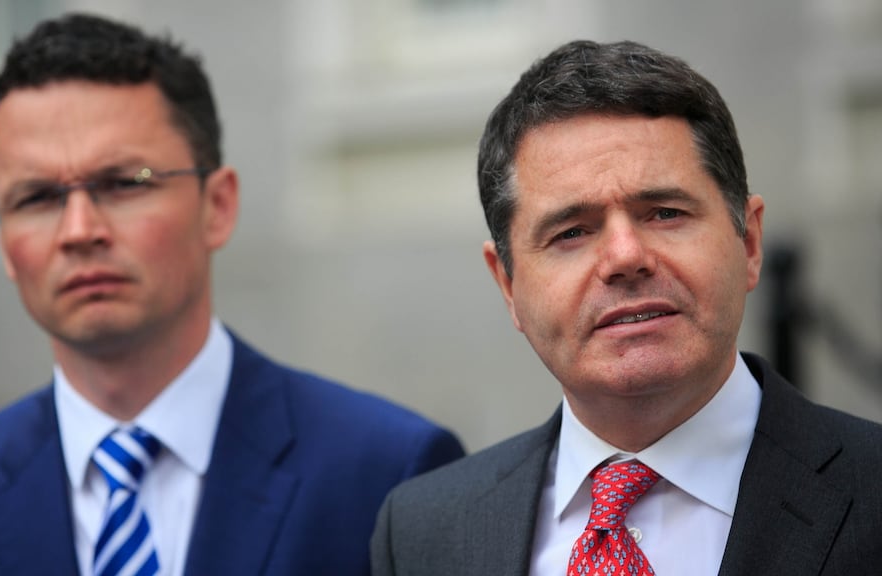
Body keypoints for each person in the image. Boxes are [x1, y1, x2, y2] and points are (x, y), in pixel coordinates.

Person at [0, 13, 464, 576]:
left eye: (124, 184)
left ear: (218, 206)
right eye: (36, 198)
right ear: (4, 241)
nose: (80, 230)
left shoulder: (389, 475)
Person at [372, 39, 882, 575]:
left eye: (664, 213)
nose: (625, 256)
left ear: (749, 243)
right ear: (508, 285)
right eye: (571, 232)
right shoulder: (422, 533)